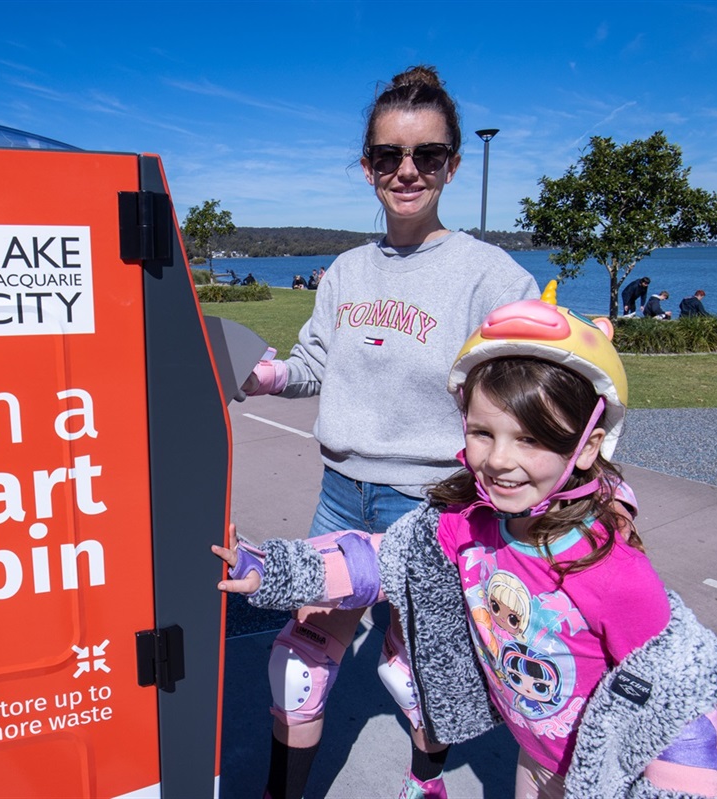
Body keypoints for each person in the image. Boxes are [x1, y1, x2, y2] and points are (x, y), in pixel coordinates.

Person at [218, 297, 717, 799]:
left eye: (531, 439)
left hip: (597, 772)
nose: (500, 460)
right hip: (533, 755)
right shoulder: (465, 522)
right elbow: (376, 559)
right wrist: (269, 568)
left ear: (588, 447)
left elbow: (676, 700)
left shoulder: (608, 569)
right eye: (483, 433)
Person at [238, 64, 540, 799]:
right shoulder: (344, 270)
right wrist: (269, 375)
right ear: (368, 165)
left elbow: (529, 386)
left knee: (419, 673)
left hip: (432, 507)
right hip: (342, 496)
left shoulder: (490, 277)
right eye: (387, 157)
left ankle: (424, 782)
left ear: (452, 165)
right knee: (299, 665)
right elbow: (316, 360)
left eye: (426, 156)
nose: (406, 172)